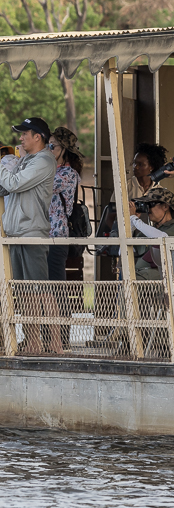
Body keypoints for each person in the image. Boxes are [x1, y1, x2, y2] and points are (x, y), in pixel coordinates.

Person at [2, 117, 57, 354]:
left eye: (25, 134)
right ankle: (33, 339)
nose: (20, 138)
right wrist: (11, 164)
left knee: (40, 290)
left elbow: (12, 184)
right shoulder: (27, 160)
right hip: (16, 233)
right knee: (24, 292)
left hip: (32, 232)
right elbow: (7, 187)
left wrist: (4, 164)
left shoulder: (44, 160)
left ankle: (54, 343)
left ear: (38, 136)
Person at [128, 187, 174, 280]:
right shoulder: (145, 232)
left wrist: (134, 219)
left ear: (165, 206)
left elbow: (162, 239)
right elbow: (125, 252)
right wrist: (131, 225)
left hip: (164, 280)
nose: (148, 209)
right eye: (146, 205)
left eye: (151, 204)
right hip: (139, 279)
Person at [47, 127, 84, 282]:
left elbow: (43, 186)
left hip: (57, 234)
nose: (48, 150)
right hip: (46, 233)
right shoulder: (54, 171)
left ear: (63, 150)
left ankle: (61, 307)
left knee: (55, 281)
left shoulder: (67, 174)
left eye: (51, 146)